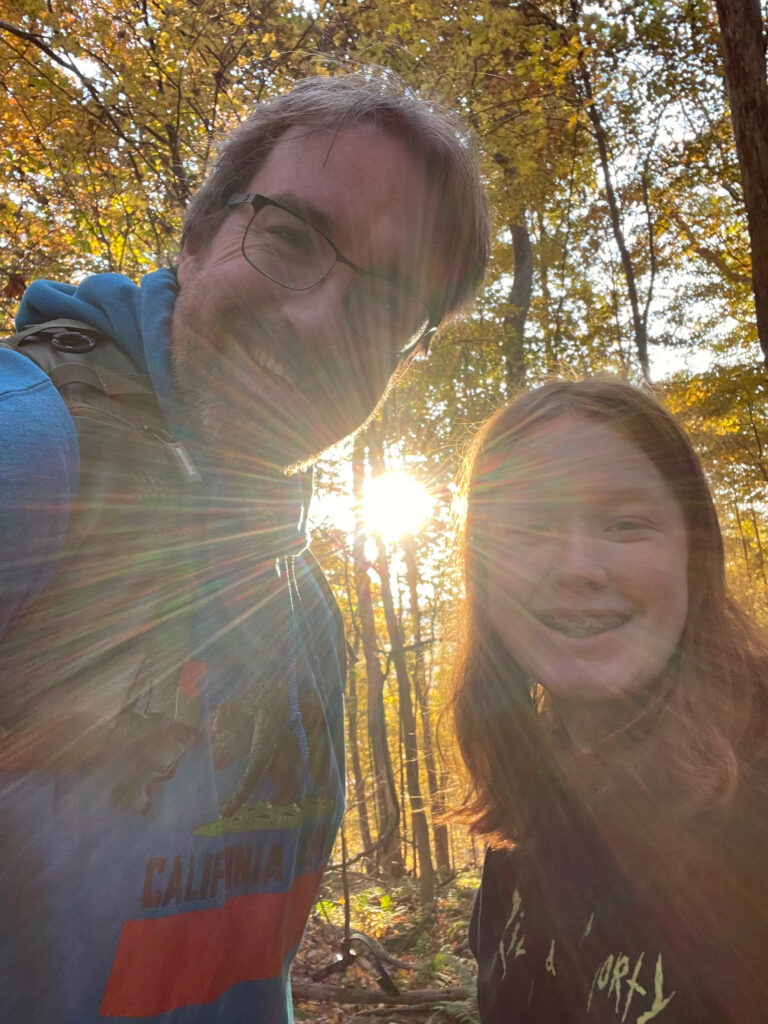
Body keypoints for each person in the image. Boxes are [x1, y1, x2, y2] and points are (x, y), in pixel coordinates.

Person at [0, 73, 491, 1022]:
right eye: (291, 238)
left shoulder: (300, 605)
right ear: (196, 236)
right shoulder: (27, 461)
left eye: (387, 304)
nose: (316, 319)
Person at [451, 378, 768, 1024]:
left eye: (625, 524)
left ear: (693, 554)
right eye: (530, 528)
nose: (577, 567)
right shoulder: (530, 786)